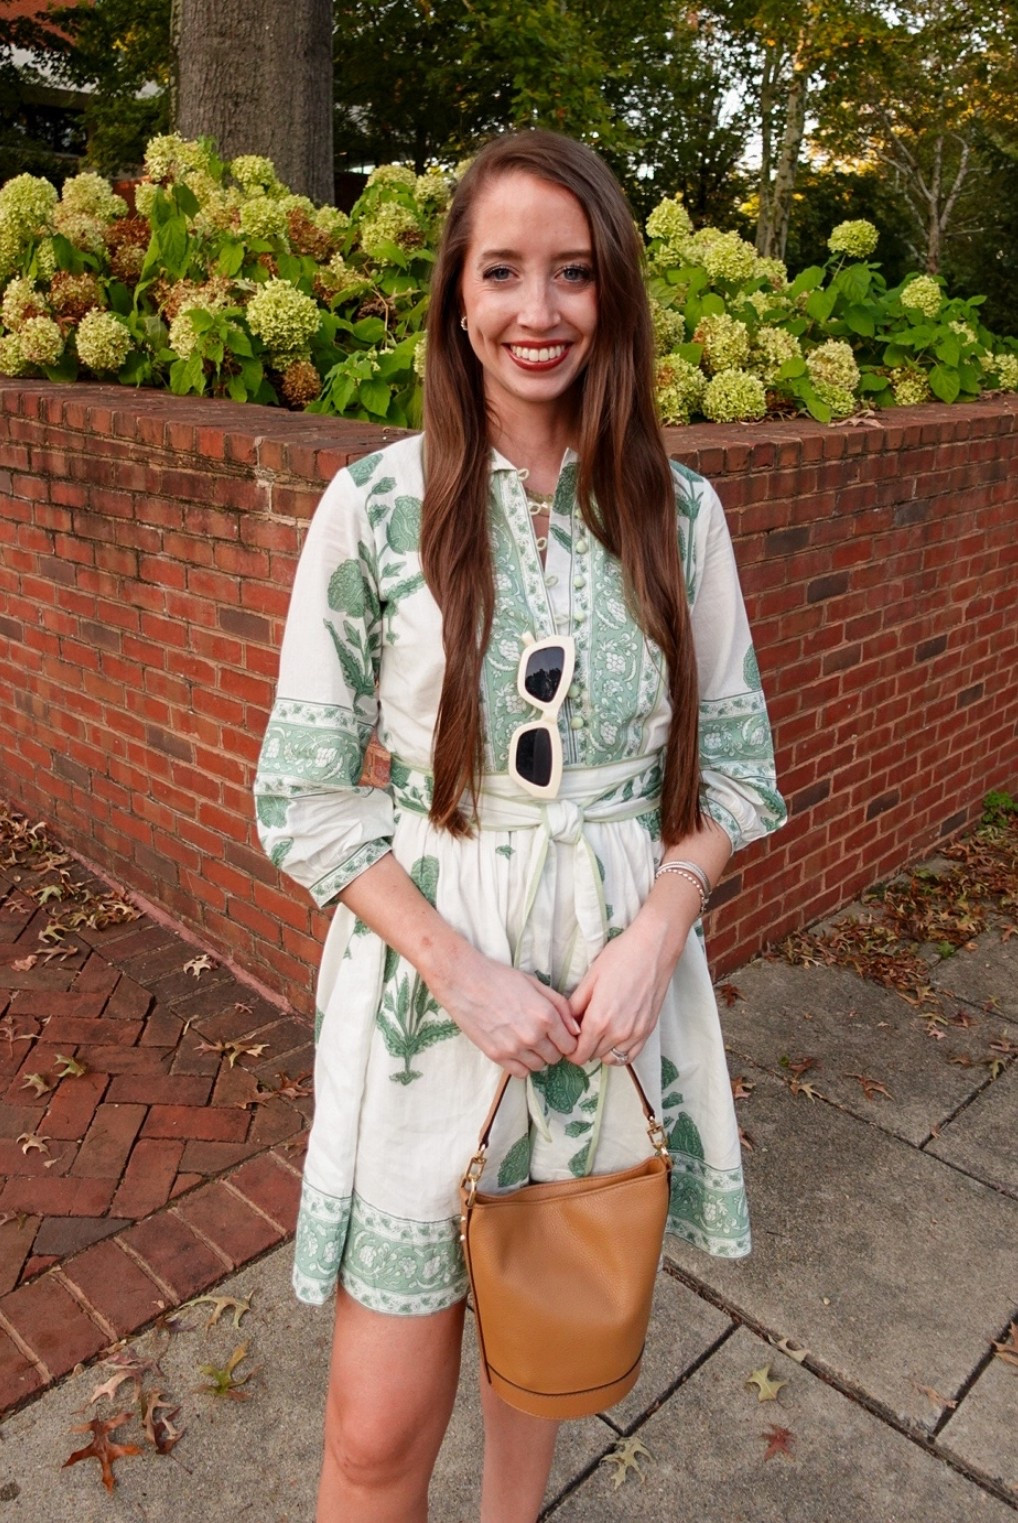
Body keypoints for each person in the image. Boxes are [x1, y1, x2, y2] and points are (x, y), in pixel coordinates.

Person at [254, 128, 785, 1523]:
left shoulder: (679, 514)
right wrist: (462, 972)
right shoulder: (373, 506)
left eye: (572, 273)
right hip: (430, 997)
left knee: (543, 1355)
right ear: (457, 294)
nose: (535, 311)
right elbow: (300, 798)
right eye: (502, 271)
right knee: (373, 1440)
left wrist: (656, 930)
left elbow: (735, 769)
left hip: (615, 988)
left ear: (613, 293)